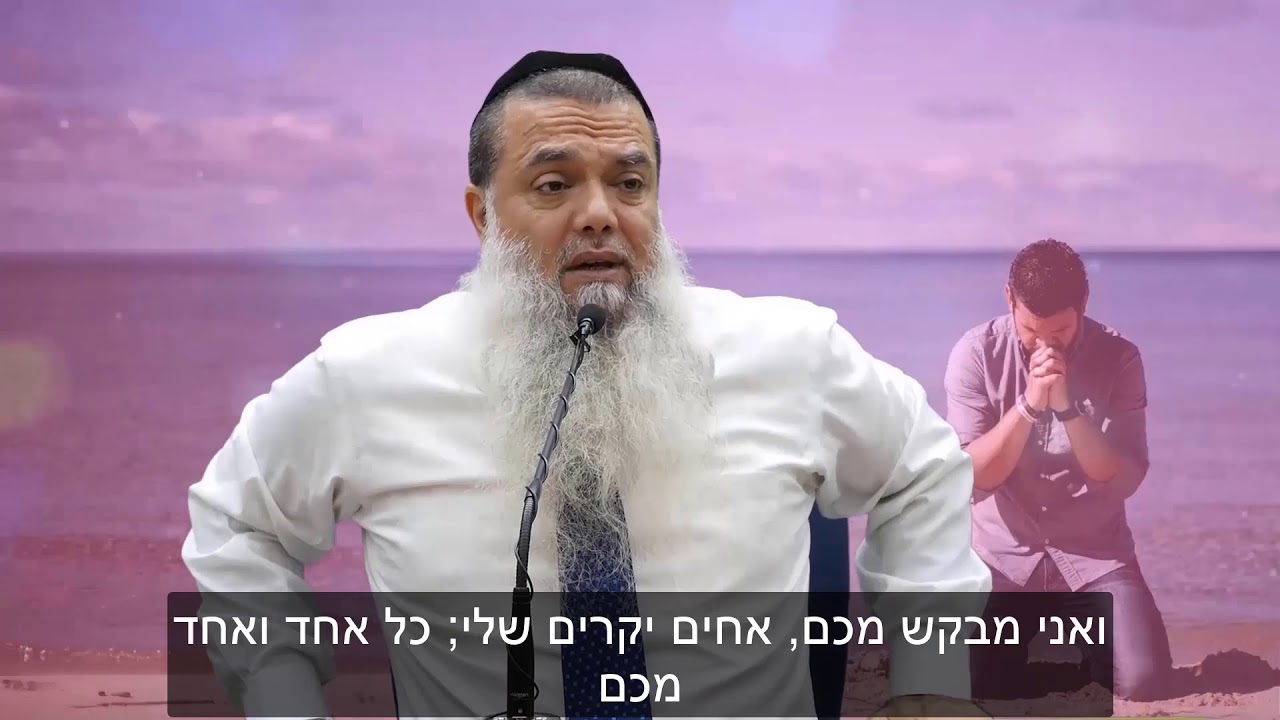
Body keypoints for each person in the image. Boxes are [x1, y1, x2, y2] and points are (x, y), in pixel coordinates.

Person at [182, 50, 990, 720]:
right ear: (481, 216)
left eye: (630, 184)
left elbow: (921, 468)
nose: (600, 213)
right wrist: (281, 694)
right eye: (554, 184)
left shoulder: (791, 353)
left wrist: (931, 680)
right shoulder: (368, 375)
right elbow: (238, 523)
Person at [942, 238, 1172, 701]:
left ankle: (1075, 644)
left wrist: (1067, 408)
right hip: (1003, 558)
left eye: (1060, 330)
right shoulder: (977, 353)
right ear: (1009, 298)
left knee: (1143, 683)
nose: (1044, 344)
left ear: (1083, 304)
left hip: (1094, 556)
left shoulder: (1119, 357)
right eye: (1031, 330)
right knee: (968, 681)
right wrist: (1029, 405)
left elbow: (1119, 478)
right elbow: (974, 478)